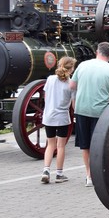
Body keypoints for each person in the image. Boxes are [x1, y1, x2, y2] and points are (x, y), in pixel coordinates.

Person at [70, 41, 109, 187]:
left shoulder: (82, 65)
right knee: (99, 145)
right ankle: (100, 173)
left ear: (96, 52)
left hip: (81, 109)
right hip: (100, 112)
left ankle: (89, 175)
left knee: (85, 145)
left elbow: (72, 86)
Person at [41, 56, 77, 184]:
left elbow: (45, 96)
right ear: (71, 69)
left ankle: (46, 170)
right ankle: (59, 173)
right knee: (60, 146)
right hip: (62, 118)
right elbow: (74, 105)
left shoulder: (50, 79)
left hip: (48, 116)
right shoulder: (71, 84)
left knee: (50, 145)